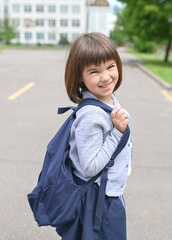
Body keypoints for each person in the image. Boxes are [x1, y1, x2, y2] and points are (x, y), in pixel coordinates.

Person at [56, 32, 133, 240]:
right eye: (94, 71)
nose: (106, 77)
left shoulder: (108, 97)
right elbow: (90, 167)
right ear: (80, 76)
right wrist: (117, 133)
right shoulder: (90, 115)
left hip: (108, 193)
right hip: (97, 200)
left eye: (110, 66)